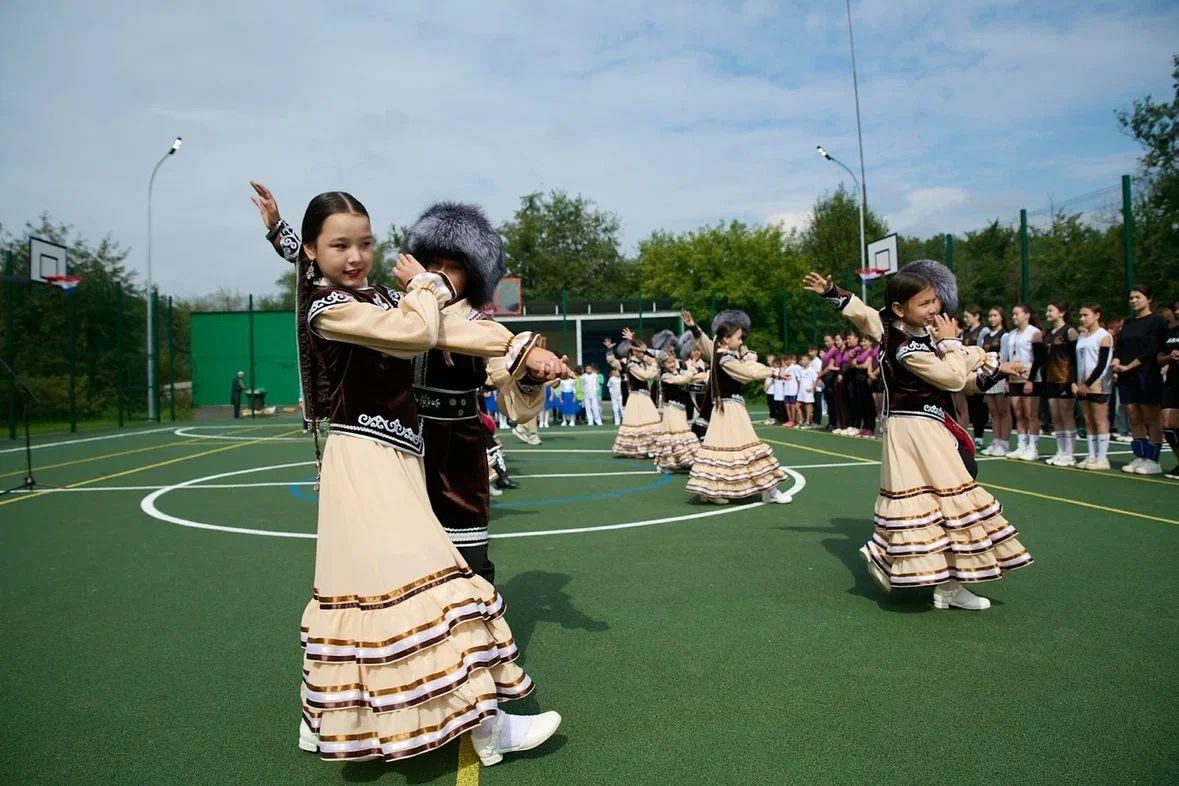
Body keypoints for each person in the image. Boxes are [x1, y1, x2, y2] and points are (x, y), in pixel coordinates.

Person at [277, 191, 563, 766]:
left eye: (365, 243)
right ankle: (489, 731)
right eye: (340, 245)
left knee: (366, 598)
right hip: (366, 462)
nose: (357, 255)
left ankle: (326, 723)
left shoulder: (388, 298)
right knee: (440, 587)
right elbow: (416, 332)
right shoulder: (334, 309)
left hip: (405, 462)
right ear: (314, 250)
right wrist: (428, 288)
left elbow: (453, 332)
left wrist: (521, 350)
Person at [253, 186, 554, 586]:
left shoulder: (478, 324)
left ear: (475, 274)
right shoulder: (402, 304)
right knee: (400, 571)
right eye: (433, 262)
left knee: (468, 566)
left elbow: (514, 400)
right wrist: (279, 230)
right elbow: (324, 264)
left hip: (457, 451)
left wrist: (529, 362)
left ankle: (474, 644)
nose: (442, 273)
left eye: (455, 266)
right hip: (397, 450)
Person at [805, 264, 1032, 610]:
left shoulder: (919, 337)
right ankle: (930, 576)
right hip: (915, 432)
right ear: (899, 309)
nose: (934, 310)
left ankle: (943, 583)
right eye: (924, 303)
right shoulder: (903, 345)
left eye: (934, 302)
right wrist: (955, 345)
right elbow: (953, 377)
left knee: (938, 505)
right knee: (946, 501)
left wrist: (995, 370)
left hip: (930, 427)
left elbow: (963, 383)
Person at [682, 309, 792, 504]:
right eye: (739, 338)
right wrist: (772, 372)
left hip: (724, 409)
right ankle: (770, 490)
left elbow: (748, 365)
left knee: (722, 450)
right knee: (748, 448)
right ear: (725, 339)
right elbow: (747, 373)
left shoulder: (726, 354)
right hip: (730, 409)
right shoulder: (725, 358)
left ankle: (713, 491)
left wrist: (762, 366)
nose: (742, 341)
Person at [1113, 284, 1169, 475]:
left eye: (1138, 297)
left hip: (1147, 375)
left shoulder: (1157, 321)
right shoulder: (1128, 323)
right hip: (1126, 376)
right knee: (1133, 416)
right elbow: (1120, 347)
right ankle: (1141, 456)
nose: (1134, 301)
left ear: (1148, 299)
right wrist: (1117, 362)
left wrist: (1129, 366)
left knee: (1151, 417)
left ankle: (1153, 460)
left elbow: (1152, 349)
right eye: (1131, 298)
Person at [604, 329, 662, 457]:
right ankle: (639, 449)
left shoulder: (642, 361)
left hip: (645, 395)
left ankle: (650, 447)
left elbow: (655, 371)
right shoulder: (630, 364)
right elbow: (645, 376)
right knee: (640, 421)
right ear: (633, 351)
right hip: (637, 396)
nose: (642, 353)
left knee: (650, 420)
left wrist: (633, 340)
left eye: (642, 351)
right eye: (638, 351)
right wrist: (609, 350)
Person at [1073, 303, 1114, 470]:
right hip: (1082, 384)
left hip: (1099, 384)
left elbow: (1103, 364)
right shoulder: (1082, 337)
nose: (1082, 319)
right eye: (1081, 315)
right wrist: (1077, 383)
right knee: (1088, 419)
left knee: (1099, 418)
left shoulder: (1103, 336)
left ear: (1097, 315)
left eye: (1086, 315)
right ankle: (1092, 455)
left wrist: (1088, 384)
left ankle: (1102, 457)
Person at [1041, 301, 1080, 466]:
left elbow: (1076, 359)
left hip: (1065, 379)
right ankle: (1061, 451)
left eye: (1051, 310)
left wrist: (1074, 380)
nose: (1047, 314)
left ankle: (1070, 453)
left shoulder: (1069, 331)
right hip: (1051, 379)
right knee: (1056, 416)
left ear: (1061, 312)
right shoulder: (1049, 333)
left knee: (1066, 415)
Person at [1006, 304, 1044, 461]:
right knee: (1018, 412)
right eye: (1013, 314)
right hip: (1014, 377)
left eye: (1017, 314)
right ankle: (1021, 445)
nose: (1014, 317)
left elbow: (1039, 358)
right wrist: (1007, 378)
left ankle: (1033, 447)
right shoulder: (1011, 334)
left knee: (1030, 413)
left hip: (1030, 378)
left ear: (1027, 315)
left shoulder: (1034, 333)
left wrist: (1031, 380)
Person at [653, 352, 702, 472]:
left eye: (673, 361)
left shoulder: (678, 372)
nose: (672, 364)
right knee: (676, 434)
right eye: (669, 362)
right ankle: (665, 463)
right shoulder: (665, 376)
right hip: (671, 409)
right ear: (663, 364)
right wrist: (691, 371)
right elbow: (682, 380)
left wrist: (701, 373)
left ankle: (683, 461)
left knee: (681, 434)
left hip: (681, 409)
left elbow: (692, 378)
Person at [980, 307, 1013, 456]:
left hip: (999, 375)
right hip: (988, 375)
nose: (992, 318)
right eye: (990, 316)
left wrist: (1004, 376)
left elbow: (1005, 357)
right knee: (993, 411)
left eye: (995, 315)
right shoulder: (986, 335)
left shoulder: (1004, 336)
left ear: (1001, 317)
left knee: (1003, 410)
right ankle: (995, 440)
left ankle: (1004, 442)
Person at [1162, 306, 1179, 478]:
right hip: (1172, 381)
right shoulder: (1171, 332)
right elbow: (1159, 357)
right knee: (1167, 425)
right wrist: (1169, 357)